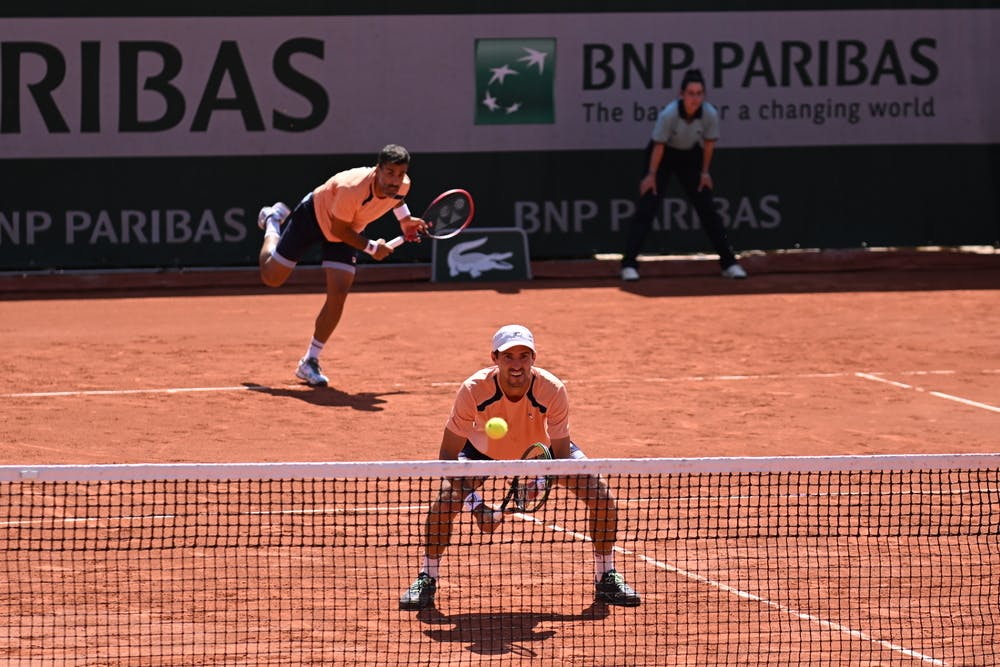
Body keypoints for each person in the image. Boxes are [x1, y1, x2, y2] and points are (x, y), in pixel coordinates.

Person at [398, 324, 641, 610]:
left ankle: (606, 577)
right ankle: (427, 577)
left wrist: (538, 484)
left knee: (602, 498)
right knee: (445, 502)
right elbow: (447, 458)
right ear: (494, 358)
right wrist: (476, 506)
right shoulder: (474, 389)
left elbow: (560, 458)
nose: (516, 364)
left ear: (533, 358)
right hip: (481, 452)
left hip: (542, 452)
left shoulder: (552, 389)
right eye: (508, 356)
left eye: (524, 356)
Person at [257, 144, 427, 387]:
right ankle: (273, 222)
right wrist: (371, 248)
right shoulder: (352, 187)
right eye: (389, 173)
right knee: (272, 277)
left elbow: (396, 200)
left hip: (349, 228)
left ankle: (310, 361)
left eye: (400, 174)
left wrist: (405, 221)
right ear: (377, 170)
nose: (395, 180)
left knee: (338, 292)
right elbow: (338, 230)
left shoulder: (402, 185)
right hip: (315, 217)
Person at [621, 68, 746, 281]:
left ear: (703, 96)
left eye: (699, 93)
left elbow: (708, 145)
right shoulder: (668, 114)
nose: (694, 98)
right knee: (647, 207)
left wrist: (705, 172)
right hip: (662, 157)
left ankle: (729, 263)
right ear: (681, 94)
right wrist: (651, 175)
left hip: (690, 156)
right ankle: (628, 265)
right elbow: (658, 147)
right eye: (691, 93)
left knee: (708, 208)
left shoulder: (710, 114)